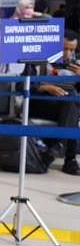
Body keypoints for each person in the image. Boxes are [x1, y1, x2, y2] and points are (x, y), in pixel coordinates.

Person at [32, 29, 80, 175]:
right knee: (73, 103)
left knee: (72, 101)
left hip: (65, 107)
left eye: (71, 50)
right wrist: (46, 87)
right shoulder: (40, 60)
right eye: (64, 48)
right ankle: (69, 159)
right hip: (42, 102)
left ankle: (57, 146)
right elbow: (24, 85)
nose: (67, 53)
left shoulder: (76, 65)